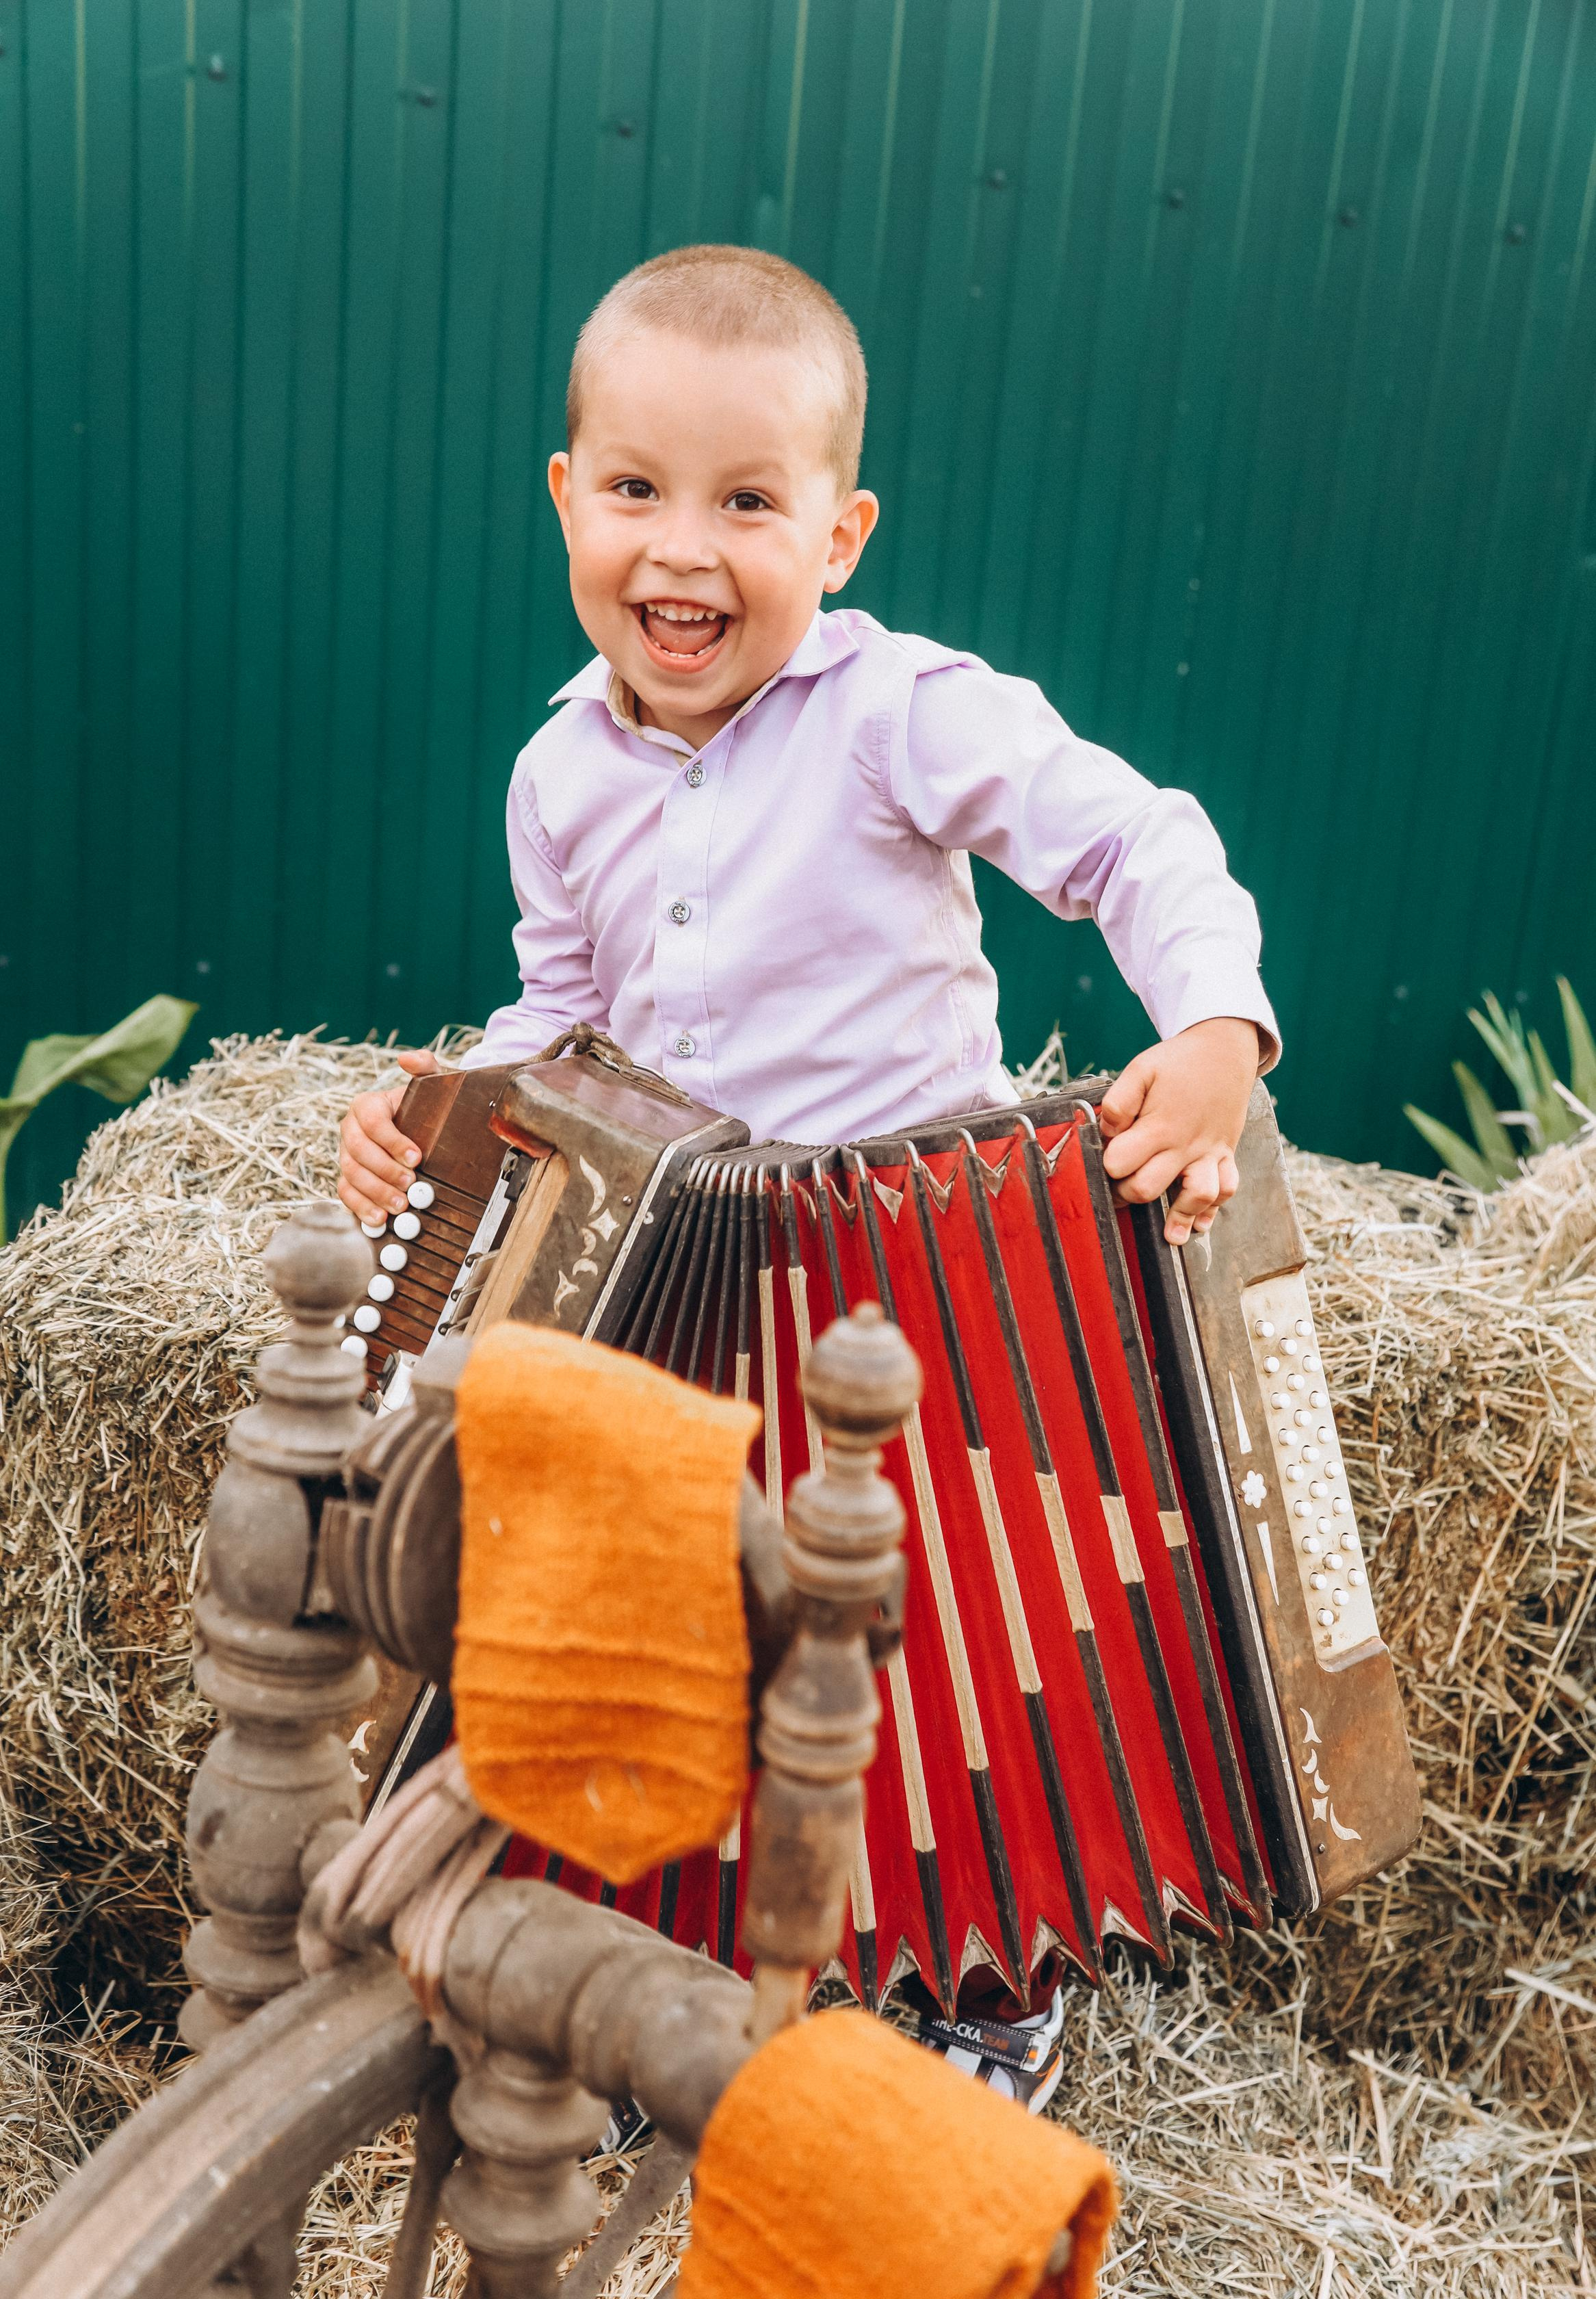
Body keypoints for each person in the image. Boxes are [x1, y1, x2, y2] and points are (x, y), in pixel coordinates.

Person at [337, 245, 1280, 2108]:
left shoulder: (896, 712)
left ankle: (993, 1973)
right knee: (673, 1619)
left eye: (748, 503)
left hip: (910, 1274)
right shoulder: (557, 773)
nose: (683, 550)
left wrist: (1220, 1026)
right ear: (567, 501)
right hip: (673, 1266)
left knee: (933, 1648)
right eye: (636, 492)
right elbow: (566, 1014)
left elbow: (1128, 841)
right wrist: (448, 1101)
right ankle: (665, 1954)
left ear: (839, 533)